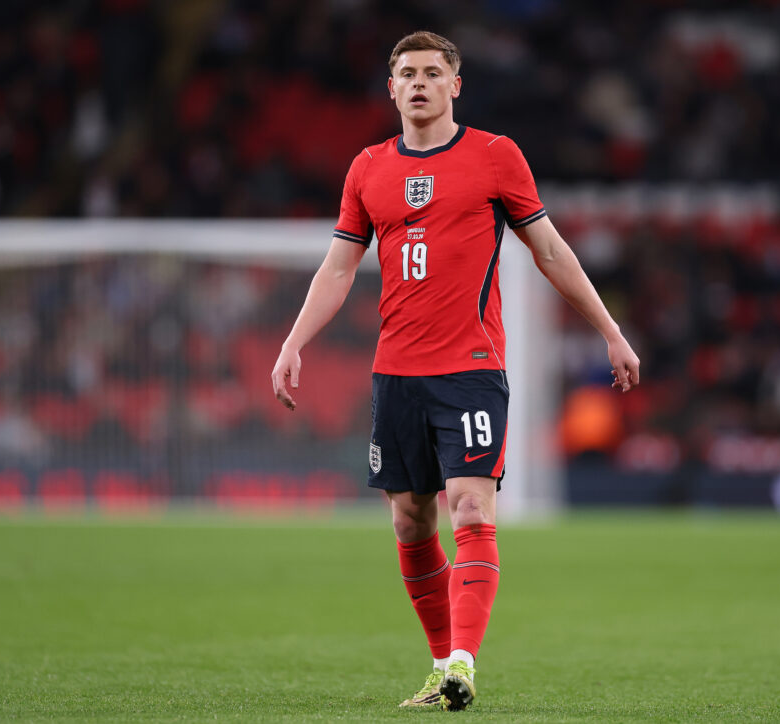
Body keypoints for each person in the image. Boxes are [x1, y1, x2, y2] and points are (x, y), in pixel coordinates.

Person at [270, 30, 640, 711]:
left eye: (432, 72)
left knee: (470, 505)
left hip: (470, 369)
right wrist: (294, 342)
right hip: (396, 375)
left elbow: (551, 251)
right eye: (406, 72)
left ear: (455, 85)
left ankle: (463, 663)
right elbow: (340, 267)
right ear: (390, 88)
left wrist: (609, 331)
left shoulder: (495, 157)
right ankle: (441, 664)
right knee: (411, 522)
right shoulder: (367, 169)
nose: (418, 82)